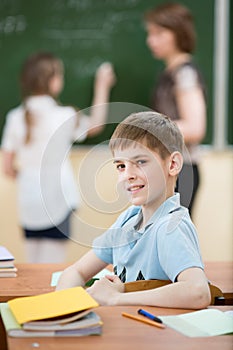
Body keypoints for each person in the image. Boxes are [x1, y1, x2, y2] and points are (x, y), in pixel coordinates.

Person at [56, 111, 211, 309]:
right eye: (121, 166)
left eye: (140, 162)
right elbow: (76, 272)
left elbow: (198, 292)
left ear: (172, 164)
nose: (127, 175)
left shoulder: (171, 227)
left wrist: (116, 299)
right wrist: (61, 309)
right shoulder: (127, 221)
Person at [1, 52, 115, 263]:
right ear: (52, 82)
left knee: (33, 267)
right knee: (50, 270)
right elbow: (96, 125)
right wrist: (102, 86)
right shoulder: (64, 116)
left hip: (29, 202)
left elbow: (8, 168)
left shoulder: (14, 117)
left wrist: (28, 176)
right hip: (59, 200)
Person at [144, 3, 207, 217]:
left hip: (182, 170)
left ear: (178, 33)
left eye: (159, 33)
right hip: (171, 168)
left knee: (173, 241)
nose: (150, 40)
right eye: (150, 34)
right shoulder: (169, 72)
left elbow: (195, 128)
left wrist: (147, 129)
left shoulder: (184, 74)